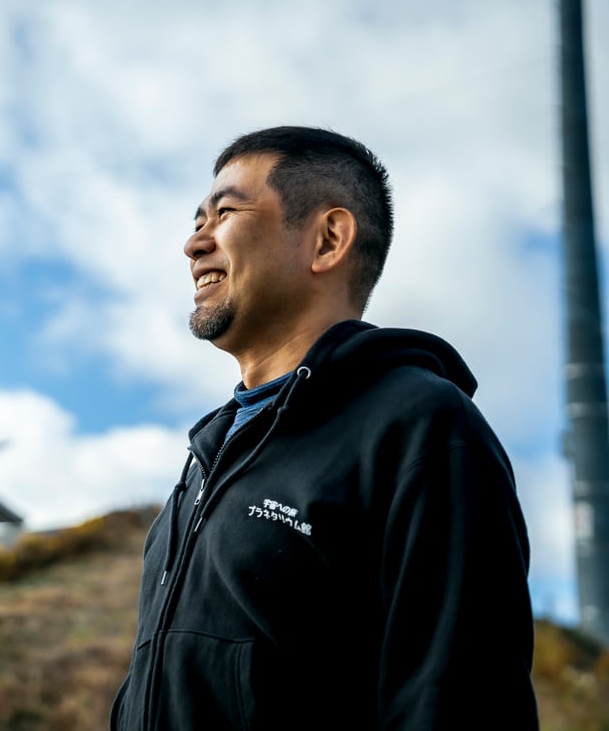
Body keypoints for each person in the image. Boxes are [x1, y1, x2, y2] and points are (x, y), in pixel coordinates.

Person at [110, 126, 537, 729]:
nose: (192, 243)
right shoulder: (206, 459)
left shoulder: (424, 429)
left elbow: (461, 700)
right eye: (196, 219)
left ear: (329, 239)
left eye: (224, 212)